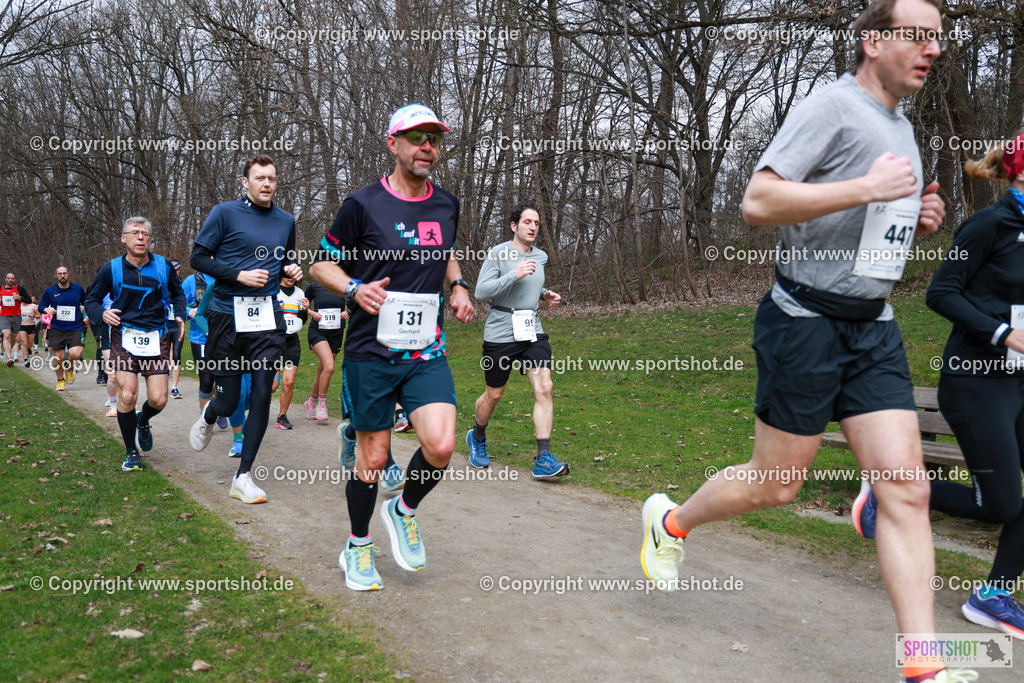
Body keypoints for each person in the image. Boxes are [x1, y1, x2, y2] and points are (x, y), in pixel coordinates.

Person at [639, 3, 976, 682]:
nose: (933, 48)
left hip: (872, 325)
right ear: (873, 39)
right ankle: (669, 522)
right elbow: (759, 202)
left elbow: (865, 223)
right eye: (918, 35)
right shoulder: (832, 106)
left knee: (906, 489)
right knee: (776, 484)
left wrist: (915, 220)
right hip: (804, 321)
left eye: (939, 37)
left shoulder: (902, 127)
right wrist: (869, 186)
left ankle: (925, 668)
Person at [852, 130, 1024, 640]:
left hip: (1018, 383)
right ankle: (887, 494)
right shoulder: (988, 226)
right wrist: (1002, 332)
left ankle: (994, 596)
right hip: (976, 382)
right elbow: (941, 292)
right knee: (1002, 504)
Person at [310, 103, 474, 591]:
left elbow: (443, 253)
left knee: (442, 445)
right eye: (417, 138)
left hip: (426, 346)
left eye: (434, 139)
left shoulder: (446, 204)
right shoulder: (362, 205)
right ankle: (358, 545)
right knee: (374, 459)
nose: (428, 147)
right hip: (370, 350)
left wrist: (459, 285)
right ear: (393, 144)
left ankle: (402, 510)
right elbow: (321, 265)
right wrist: (354, 288)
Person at [188, 154, 302, 505]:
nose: (266, 183)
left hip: (267, 315)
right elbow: (198, 258)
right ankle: (209, 414)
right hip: (226, 315)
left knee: (263, 393)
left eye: (272, 178)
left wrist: (292, 271)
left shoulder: (286, 220)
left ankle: (244, 476)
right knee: (229, 399)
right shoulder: (224, 213)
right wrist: (237, 275)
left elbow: (285, 261)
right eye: (259, 178)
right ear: (245, 182)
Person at [469, 203, 568, 479]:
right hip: (501, 331)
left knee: (545, 387)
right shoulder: (498, 253)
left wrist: (545, 294)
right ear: (514, 226)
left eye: (536, 222)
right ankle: (477, 437)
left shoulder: (541, 256)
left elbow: (531, 286)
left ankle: (543, 458)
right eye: (527, 222)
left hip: (531, 331)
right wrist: (515, 273)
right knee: (494, 394)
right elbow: (481, 292)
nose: (533, 227)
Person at [84, 217, 186, 471]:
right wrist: (101, 314)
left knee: (159, 399)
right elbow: (91, 300)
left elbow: (178, 293)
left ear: (150, 240)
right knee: (127, 395)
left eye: (145, 234)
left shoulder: (163, 266)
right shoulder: (111, 269)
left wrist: (180, 313)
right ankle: (131, 452)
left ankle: (143, 420)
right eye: (135, 233)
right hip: (124, 336)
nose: (140, 237)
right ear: (124, 238)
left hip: (156, 338)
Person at [303, 280, 348, 423]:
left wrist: (348, 312)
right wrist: (311, 312)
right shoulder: (314, 286)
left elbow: (356, 304)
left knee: (322, 370)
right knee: (329, 367)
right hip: (318, 332)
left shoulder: (342, 285)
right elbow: (302, 304)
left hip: (336, 333)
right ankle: (321, 404)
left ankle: (311, 402)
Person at [39, 266, 87, 391]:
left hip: (76, 327)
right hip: (57, 328)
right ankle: (60, 381)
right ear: (55, 275)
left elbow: (86, 301)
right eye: (60, 274)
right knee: (59, 357)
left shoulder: (78, 289)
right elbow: (41, 306)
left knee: (75, 354)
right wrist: (46, 309)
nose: (62, 276)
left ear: (69, 274)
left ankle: (69, 367)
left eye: (64, 273)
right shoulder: (50, 291)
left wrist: (86, 308)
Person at [275, 272, 308, 430]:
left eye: (294, 275)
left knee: (289, 382)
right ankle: (250, 409)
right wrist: (276, 309)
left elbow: (301, 321)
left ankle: (282, 417)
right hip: (274, 341)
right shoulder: (273, 291)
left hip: (292, 341)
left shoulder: (300, 293)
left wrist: (305, 310)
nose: (291, 278)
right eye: (287, 275)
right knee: (272, 385)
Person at [1, 273, 30, 366]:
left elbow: (28, 300)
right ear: (5, 279)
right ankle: (9, 357)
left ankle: (6, 352)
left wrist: (20, 298)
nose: (10, 280)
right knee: (6, 335)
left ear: (15, 280)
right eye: (9, 278)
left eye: (12, 278)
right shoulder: (1, 289)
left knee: (13, 338)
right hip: (4, 316)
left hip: (16, 316)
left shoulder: (19, 289)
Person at [167, 260, 185, 399]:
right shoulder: (162, 283)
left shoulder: (181, 286)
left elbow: (186, 303)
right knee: (164, 354)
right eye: (174, 270)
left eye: (178, 270)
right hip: (164, 325)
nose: (176, 272)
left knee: (177, 354)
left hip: (177, 326)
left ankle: (174, 387)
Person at [18, 296, 39, 367]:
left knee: (29, 344)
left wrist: (33, 315)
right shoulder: (18, 305)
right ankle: (26, 360)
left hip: (31, 326)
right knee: (24, 343)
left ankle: (29, 349)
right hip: (21, 326)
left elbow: (39, 315)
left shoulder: (33, 306)